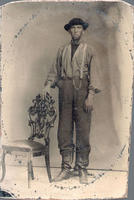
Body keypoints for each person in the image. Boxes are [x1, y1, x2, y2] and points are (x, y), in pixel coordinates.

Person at [44, 18, 100, 184]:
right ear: (69, 31)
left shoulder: (89, 50)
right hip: (65, 90)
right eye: (73, 28)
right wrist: (49, 85)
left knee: (83, 129)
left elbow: (94, 74)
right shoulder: (62, 50)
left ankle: (81, 168)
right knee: (64, 129)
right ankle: (66, 168)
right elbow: (54, 71)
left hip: (82, 89)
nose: (76, 31)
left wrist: (90, 95)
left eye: (79, 28)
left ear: (83, 31)